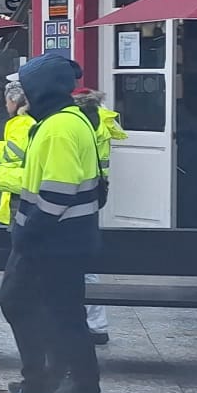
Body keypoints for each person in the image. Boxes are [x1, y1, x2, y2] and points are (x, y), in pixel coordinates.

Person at [0, 52, 108, 393]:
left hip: (52, 242)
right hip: (60, 241)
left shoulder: (59, 128)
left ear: (41, 89)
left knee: (66, 322)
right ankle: (38, 389)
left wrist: (29, 233)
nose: (22, 93)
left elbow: (57, 194)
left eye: (25, 85)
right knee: (25, 304)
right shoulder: (69, 122)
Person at [73, 87, 127, 346]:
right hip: (94, 195)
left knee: (80, 266)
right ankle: (97, 324)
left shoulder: (77, 122)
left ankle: (86, 324)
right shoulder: (104, 119)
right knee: (89, 266)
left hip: (73, 197)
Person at [0, 82, 33, 225]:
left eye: (6, 102)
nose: (5, 106)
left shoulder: (21, 122)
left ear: (13, 101)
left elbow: (14, 154)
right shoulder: (29, 121)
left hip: (18, 190)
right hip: (18, 184)